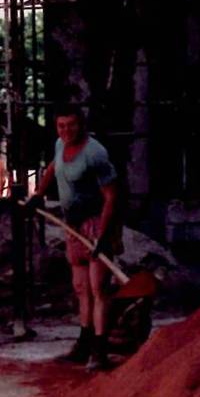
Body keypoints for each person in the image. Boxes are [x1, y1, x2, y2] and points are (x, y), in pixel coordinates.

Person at [28, 104, 121, 370]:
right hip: (73, 226)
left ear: (82, 125)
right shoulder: (60, 145)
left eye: (71, 125)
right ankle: (84, 343)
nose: (66, 131)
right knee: (81, 288)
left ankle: (100, 352)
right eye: (61, 126)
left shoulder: (95, 153)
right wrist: (39, 194)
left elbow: (112, 197)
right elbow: (51, 168)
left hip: (96, 224)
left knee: (98, 288)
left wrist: (104, 235)